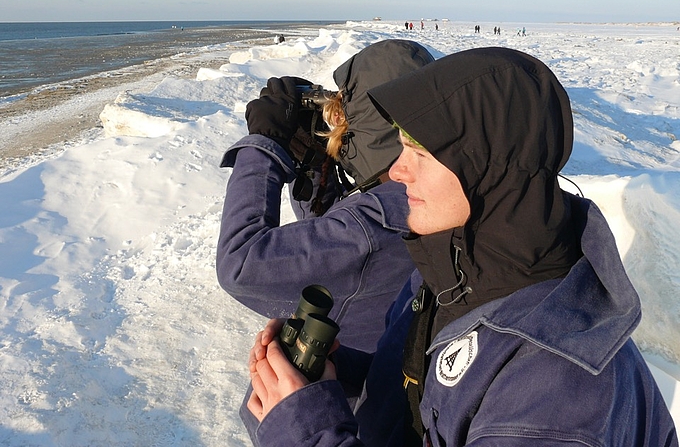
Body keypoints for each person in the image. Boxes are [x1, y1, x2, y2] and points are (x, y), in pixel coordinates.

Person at [244, 47, 678, 446]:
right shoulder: (452, 272)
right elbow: (432, 396)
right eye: (400, 148)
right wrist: (332, 380)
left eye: (421, 154)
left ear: (487, 168)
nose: (397, 172)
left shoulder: (557, 392)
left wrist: (302, 431)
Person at [217, 39, 435, 353]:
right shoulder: (426, 197)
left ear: (369, 125)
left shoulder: (376, 222)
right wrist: (314, 163)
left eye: (346, 113)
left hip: (341, 389)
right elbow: (339, 248)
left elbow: (240, 264)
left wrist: (263, 145)